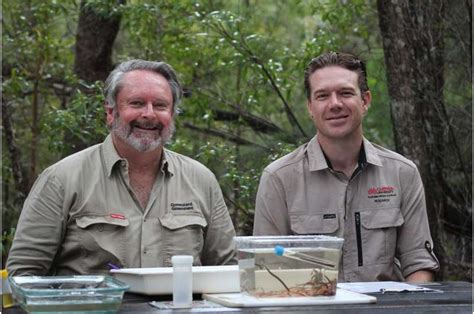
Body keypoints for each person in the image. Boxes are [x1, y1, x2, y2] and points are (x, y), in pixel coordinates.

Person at [7, 60, 236, 276]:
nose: (148, 114)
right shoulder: (61, 179)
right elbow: (23, 275)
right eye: (136, 103)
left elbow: (229, 272)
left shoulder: (201, 180)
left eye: (160, 105)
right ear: (110, 113)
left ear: (172, 115)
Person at [253, 52, 439, 282]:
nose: (335, 104)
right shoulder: (279, 179)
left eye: (345, 93)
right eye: (322, 96)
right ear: (310, 107)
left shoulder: (402, 173)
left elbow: (418, 263)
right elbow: (267, 270)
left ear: (365, 101)